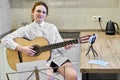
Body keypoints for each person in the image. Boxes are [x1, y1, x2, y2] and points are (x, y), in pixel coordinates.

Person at [1, 1, 79, 80]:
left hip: (56, 58)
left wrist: (65, 47)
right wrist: (21, 48)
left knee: (72, 76)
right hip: (40, 61)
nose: (41, 14)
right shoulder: (26, 29)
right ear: (32, 12)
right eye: (38, 11)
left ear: (46, 15)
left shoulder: (52, 28)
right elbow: (5, 39)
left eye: (43, 12)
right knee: (48, 78)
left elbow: (59, 46)